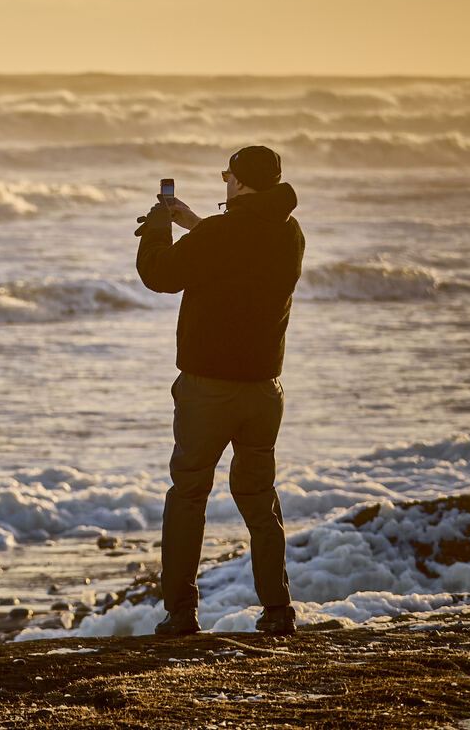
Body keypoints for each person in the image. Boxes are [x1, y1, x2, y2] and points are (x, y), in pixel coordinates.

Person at [133, 145, 304, 636]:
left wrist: (160, 228)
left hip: (209, 389)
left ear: (240, 181)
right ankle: (278, 611)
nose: (224, 180)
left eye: (227, 174)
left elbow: (160, 275)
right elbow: (239, 244)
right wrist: (193, 222)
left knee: (188, 493)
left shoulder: (222, 233)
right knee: (258, 497)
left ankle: (182, 613)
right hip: (264, 391)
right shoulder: (289, 232)